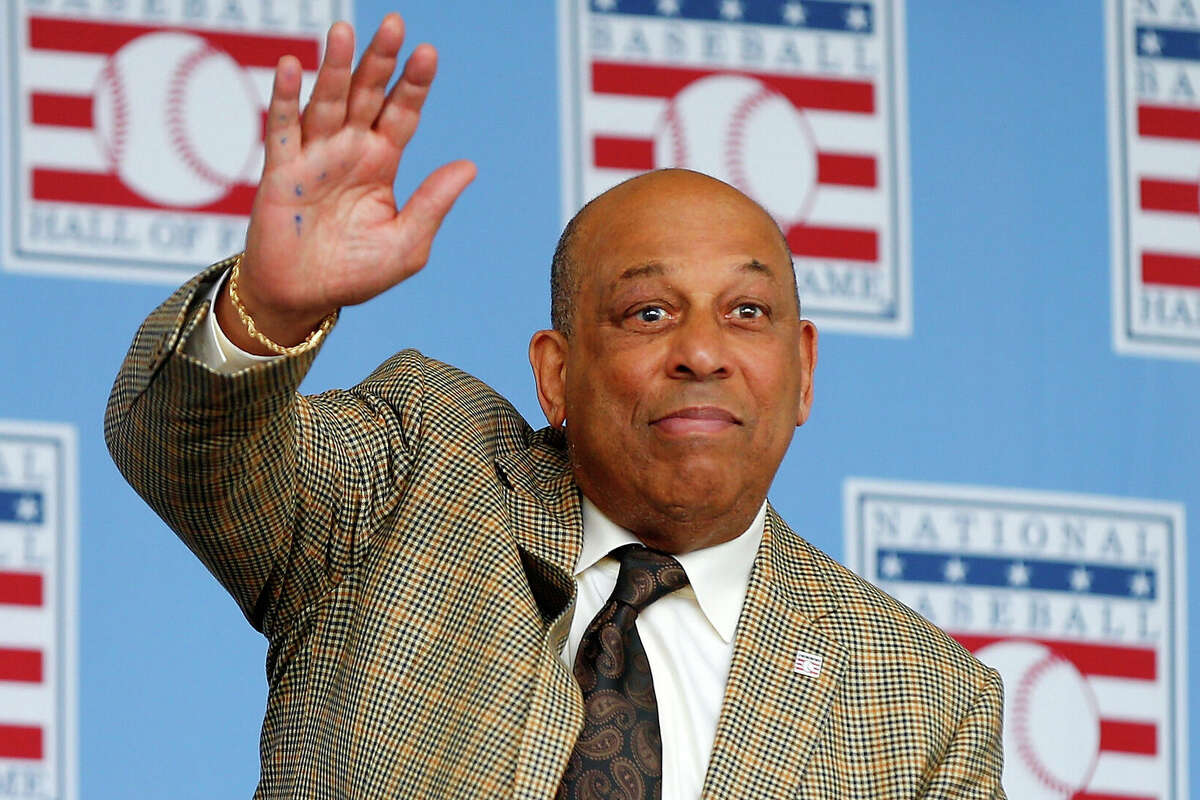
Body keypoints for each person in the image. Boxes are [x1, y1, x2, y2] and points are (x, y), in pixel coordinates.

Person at [105, 14, 1005, 799]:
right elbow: (189, 456)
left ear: (802, 370)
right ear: (555, 373)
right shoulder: (420, 470)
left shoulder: (921, 702)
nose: (701, 351)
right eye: (648, 313)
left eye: (747, 314)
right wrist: (273, 310)